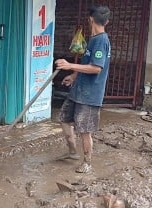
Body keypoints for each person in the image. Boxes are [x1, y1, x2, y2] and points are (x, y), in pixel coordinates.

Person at [54, 5, 111, 173]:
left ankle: (87, 163)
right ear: (106, 21)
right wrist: (73, 75)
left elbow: (96, 68)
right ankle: (72, 153)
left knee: (85, 130)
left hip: (90, 94)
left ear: (90, 19)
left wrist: (69, 64)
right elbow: (87, 63)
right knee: (64, 119)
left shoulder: (101, 40)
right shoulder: (93, 39)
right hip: (78, 90)